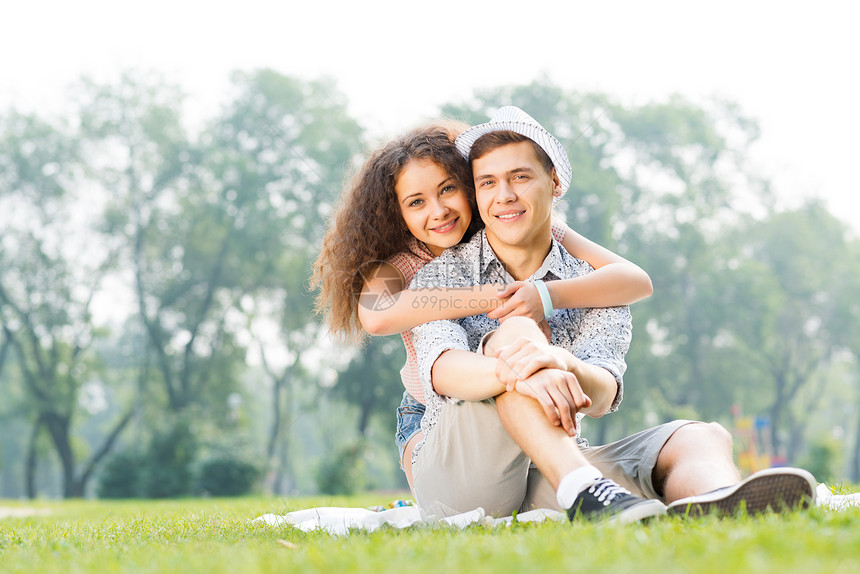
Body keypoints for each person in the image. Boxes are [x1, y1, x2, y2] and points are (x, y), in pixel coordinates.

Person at [407, 106, 816, 522]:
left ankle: (724, 502)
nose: (505, 195)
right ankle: (584, 489)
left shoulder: (594, 285)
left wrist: (562, 362)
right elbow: (443, 370)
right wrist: (526, 364)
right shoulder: (442, 276)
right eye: (488, 182)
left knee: (701, 435)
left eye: (520, 177)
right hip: (459, 479)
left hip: (549, 468)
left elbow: (602, 395)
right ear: (477, 195)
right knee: (516, 332)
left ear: (554, 182)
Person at [312, 121, 655, 493]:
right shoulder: (410, 260)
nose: (439, 210)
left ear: (470, 187)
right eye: (417, 202)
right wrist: (501, 296)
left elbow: (635, 280)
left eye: (448, 190)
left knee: (524, 365)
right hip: (428, 413)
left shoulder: (506, 227)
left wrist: (545, 295)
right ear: (399, 214)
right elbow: (376, 315)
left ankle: (582, 484)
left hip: (510, 388)